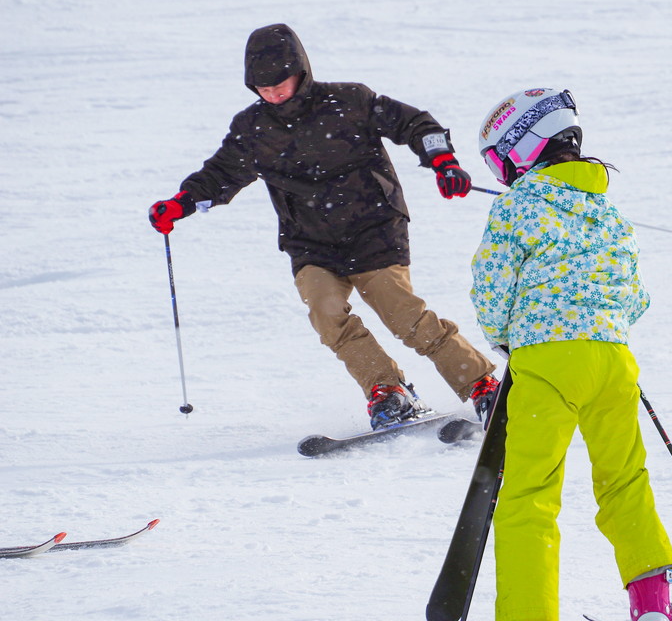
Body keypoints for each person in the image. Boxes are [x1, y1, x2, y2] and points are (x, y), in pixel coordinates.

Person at [147, 23, 499, 428]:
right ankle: (387, 390)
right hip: (310, 242)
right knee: (325, 313)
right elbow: (220, 173)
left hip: (374, 229)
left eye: (281, 81)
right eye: (263, 87)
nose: (274, 92)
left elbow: (417, 124)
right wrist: (181, 202)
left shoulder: (350, 100)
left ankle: (481, 385)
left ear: (301, 70)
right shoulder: (253, 129)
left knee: (403, 315)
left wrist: (443, 161)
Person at [455, 88, 672, 621]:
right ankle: (653, 611)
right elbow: (634, 293)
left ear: (522, 149)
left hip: (548, 360)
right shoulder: (605, 206)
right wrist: (602, 323)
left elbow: (491, 287)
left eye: (499, 163)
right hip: (613, 360)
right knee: (625, 480)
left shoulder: (516, 207)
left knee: (530, 493)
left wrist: (506, 336)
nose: (501, 177)